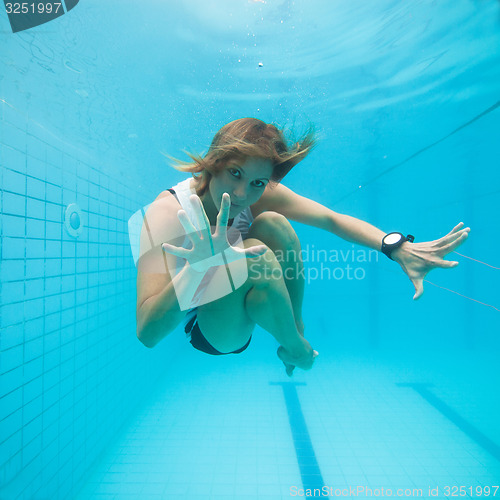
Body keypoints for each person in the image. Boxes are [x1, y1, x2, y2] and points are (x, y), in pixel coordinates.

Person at [135, 118, 470, 375]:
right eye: (234, 173)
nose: (242, 194)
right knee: (257, 257)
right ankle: (298, 351)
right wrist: (198, 273)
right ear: (213, 161)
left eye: (257, 182)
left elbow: (332, 219)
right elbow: (147, 333)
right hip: (209, 330)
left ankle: (295, 327)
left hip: (243, 292)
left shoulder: (259, 194)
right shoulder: (165, 214)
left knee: (274, 224)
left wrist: (394, 246)